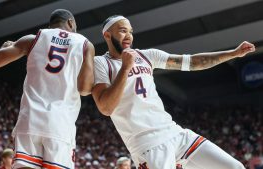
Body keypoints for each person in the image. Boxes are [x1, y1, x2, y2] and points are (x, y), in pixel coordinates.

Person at [92, 15, 256, 169]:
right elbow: (106, 107)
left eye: (130, 31)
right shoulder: (100, 63)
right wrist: (126, 67)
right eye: (122, 30)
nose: (128, 36)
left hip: (175, 133)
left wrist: (233, 53)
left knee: (235, 167)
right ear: (107, 35)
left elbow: (192, 62)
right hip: (147, 145)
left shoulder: (147, 55)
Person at [0, 9, 95, 169]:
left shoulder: (33, 39)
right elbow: (85, 89)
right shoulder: (85, 44)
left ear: (50, 25)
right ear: (71, 23)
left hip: (30, 121)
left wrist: (3, 48)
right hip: (60, 124)